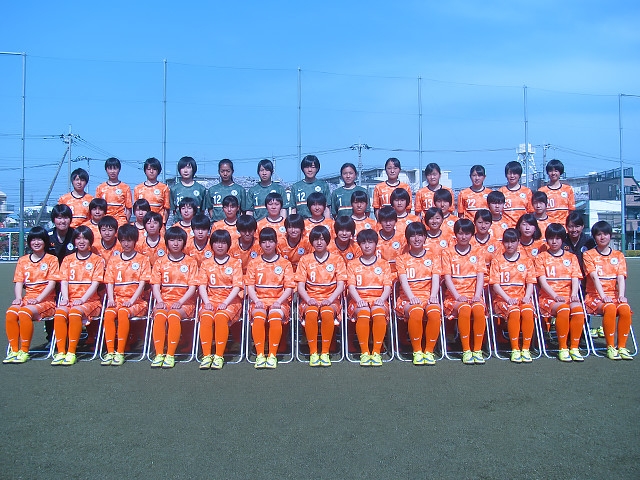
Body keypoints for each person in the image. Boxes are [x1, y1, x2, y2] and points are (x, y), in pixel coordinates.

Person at [3, 227, 59, 364]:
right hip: (27, 299)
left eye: (39, 239)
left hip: (46, 301)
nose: (36, 242)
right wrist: (18, 298)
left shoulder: (52, 259)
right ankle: (14, 350)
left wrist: (38, 299)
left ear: (45, 241)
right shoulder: (23, 260)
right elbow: (18, 282)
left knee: (24, 313)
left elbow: (52, 284)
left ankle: (24, 351)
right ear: (29, 242)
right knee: (11, 313)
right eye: (33, 239)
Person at [51, 225, 105, 366]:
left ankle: (71, 352)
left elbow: (95, 284)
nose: (81, 241)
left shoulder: (97, 260)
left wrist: (82, 299)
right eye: (78, 238)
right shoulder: (67, 259)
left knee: (75, 313)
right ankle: (60, 351)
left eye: (85, 238)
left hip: (90, 302)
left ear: (90, 241)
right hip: (71, 300)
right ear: (74, 241)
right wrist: (65, 298)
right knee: (60, 313)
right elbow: (64, 281)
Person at [295, 226, 347, 367]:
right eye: (316, 239)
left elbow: (341, 285)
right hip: (310, 298)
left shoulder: (337, 259)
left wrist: (330, 299)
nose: (319, 242)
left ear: (328, 241)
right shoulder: (305, 260)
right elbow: (300, 286)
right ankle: (313, 352)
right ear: (311, 241)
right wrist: (308, 299)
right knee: (311, 313)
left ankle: (324, 353)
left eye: (322, 239)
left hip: (331, 298)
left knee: (327, 313)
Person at [582, 221, 633, 361]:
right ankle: (610, 346)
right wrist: (603, 296)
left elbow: (621, 277)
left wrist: (621, 296)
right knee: (609, 307)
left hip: (613, 295)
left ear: (610, 235)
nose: (602, 237)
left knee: (625, 309)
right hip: (595, 297)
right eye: (599, 234)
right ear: (594, 237)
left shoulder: (618, 255)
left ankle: (621, 347)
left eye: (605, 234)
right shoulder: (588, 255)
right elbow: (594, 277)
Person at [102, 224, 151, 366]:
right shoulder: (114, 260)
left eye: (129, 240)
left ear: (135, 241)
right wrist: (111, 299)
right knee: (108, 314)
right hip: (117, 300)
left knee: (123, 312)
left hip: (137, 302)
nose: (126, 244)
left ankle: (120, 352)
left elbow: (142, 284)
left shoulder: (143, 260)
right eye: (123, 240)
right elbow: (109, 282)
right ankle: (110, 351)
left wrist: (132, 301)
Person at [535, 223, 585, 362]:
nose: (554, 241)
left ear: (563, 239)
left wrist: (574, 294)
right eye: (551, 238)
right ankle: (563, 347)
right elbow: (542, 281)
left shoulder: (571, 257)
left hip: (568, 296)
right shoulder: (541, 257)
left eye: (558, 238)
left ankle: (574, 347)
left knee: (578, 310)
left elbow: (575, 278)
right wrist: (555, 296)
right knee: (563, 309)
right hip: (549, 298)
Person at [245, 227, 295, 369]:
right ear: (260, 243)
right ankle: (260, 355)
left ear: (276, 243)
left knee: (274, 316)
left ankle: (272, 355)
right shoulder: (254, 263)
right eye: (264, 242)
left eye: (271, 241)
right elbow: (250, 286)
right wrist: (256, 301)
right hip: (259, 300)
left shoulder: (285, 263)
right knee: (259, 316)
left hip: (279, 301)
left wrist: (279, 301)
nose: (267, 245)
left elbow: (289, 287)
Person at [150, 226, 199, 368]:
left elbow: (192, 287)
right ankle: (159, 354)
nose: (175, 243)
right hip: (164, 300)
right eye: (172, 240)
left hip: (185, 302)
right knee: (160, 315)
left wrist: (180, 301)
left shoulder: (191, 262)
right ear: (166, 242)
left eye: (179, 240)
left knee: (173, 315)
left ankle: (170, 355)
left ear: (184, 242)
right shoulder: (160, 262)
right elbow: (155, 285)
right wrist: (159, 301)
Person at [395, 222, 442, 366]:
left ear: (425, 237)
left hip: (428, 296)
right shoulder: (401, 259)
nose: (417, 239)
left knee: (435, 311)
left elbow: (436, 279)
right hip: (407, 298)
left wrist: (433, 296)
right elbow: (403, 281)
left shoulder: (433, 257)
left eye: (420, 235)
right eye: (413, 235)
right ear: (407, 238)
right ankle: (417, 351)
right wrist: (411, 297)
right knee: (416, 311)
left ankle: (429, 351)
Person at [197, 230, 243, 370]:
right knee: (206, 316)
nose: (220, 246)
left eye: (223, 243)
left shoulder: (235, 263)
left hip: (230, 301)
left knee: (220, 317)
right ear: (211, 244)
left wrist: (225, 303)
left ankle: (218, 355)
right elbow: (202, 285)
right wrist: (207, 302)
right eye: (217, 242)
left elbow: (237, 287)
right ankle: (206, 355)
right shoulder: (206, 263)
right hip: (210, 300)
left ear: (228, 245)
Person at [442, 219, 487, 365]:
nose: (463, 237)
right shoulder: (447, 252)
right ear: (455, 234)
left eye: (467, 233)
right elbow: (447, 278)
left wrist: (477, 295)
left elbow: (480, 276)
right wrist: (457, 296)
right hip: (454, 297)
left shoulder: (478, 251)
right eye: (460, 233)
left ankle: (477, 350)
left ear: (472, 235)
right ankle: (466, 350)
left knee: (479, 309)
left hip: (473, 295)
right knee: (465, 308)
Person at [489, 228, 537, 363]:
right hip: (502, 300)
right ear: (503, 243)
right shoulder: (497, 261)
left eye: (513, 241)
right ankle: (515, 349)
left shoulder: (526, 261)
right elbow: (495, 285)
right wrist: (508, 298)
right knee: (514, 311)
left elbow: (530, 282)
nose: (509, 245)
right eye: (507, 242)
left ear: (518, 242)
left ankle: (525, 349)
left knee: (528, 311)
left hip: (522, 298)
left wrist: (527, 297)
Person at [347, 229, 392, 366]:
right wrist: (359, 300)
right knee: (364, 313)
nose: (367, 246)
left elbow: (388, 286)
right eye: (364, 243)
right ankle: (365, 352)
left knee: (379, 312)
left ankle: (376, 352)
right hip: (358, 300)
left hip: (379, 299)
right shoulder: (352, 264)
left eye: (370, 242)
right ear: (359, 245)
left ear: (376, 244)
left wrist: (382, 299)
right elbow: (351, 286)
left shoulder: (384, 264)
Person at [290, 155, 331, 219]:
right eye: (307, 167)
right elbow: (293, 209)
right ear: (302, 168)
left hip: (319, 223)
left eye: (313, 167)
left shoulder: (323, 185)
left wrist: (327, 223)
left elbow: (326, 209)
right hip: (301, 222)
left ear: (317, 168)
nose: (309, 170)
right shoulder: (296, 187)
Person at [94, 157, 132, 227]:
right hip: (105, 222)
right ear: (106, 170)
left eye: (115, 168)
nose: (112, 171)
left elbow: (128, 208)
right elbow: (97, 207)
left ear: (119, 170)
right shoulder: (100, 188)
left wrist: (125, 223)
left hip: (120, 222)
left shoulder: (125, 187)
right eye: (110, 168)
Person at [170, 156, 208, 222]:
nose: (185, 171)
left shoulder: (201, 189)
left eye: (188, 167)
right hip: (179, 224)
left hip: (196, 225)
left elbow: (202, 210)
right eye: (182, 168)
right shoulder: (174, 189)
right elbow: (174, 210)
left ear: (193, 169)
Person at [538, 159, 575, 225]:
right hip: (547, 226)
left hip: (564, 227)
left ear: (560, 172)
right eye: (550, 171)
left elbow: (571, 210)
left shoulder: (568, 189)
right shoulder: (542, 191)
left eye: (556, 171)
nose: (553, 173)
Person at [134, 157, 170, 225]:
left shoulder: (164, 188)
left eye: (154, 169)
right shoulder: (138, 188)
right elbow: (136, 208)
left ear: (158, 171)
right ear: (145, 171)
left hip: (158, 224)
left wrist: (163, 223)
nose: (151, 171)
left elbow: (166, 209)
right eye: (149, 169)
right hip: (142, 224)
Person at [499, 161, 533, 228]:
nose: (512, 176)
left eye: (515, 173)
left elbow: (531, 212)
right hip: (506, 228)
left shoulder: (527, 192)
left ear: (519, 175)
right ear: (506, 175)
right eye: (509, 173)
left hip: (522, 228)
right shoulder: (501, 191)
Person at [376, 205, 404, 275]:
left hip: (398, 274)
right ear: (380, 222)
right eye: (385, 221)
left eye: (391, 220)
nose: (388, 224)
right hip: (379, 274)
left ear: (395, 221)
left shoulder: (402, 237)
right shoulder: (374, 238)